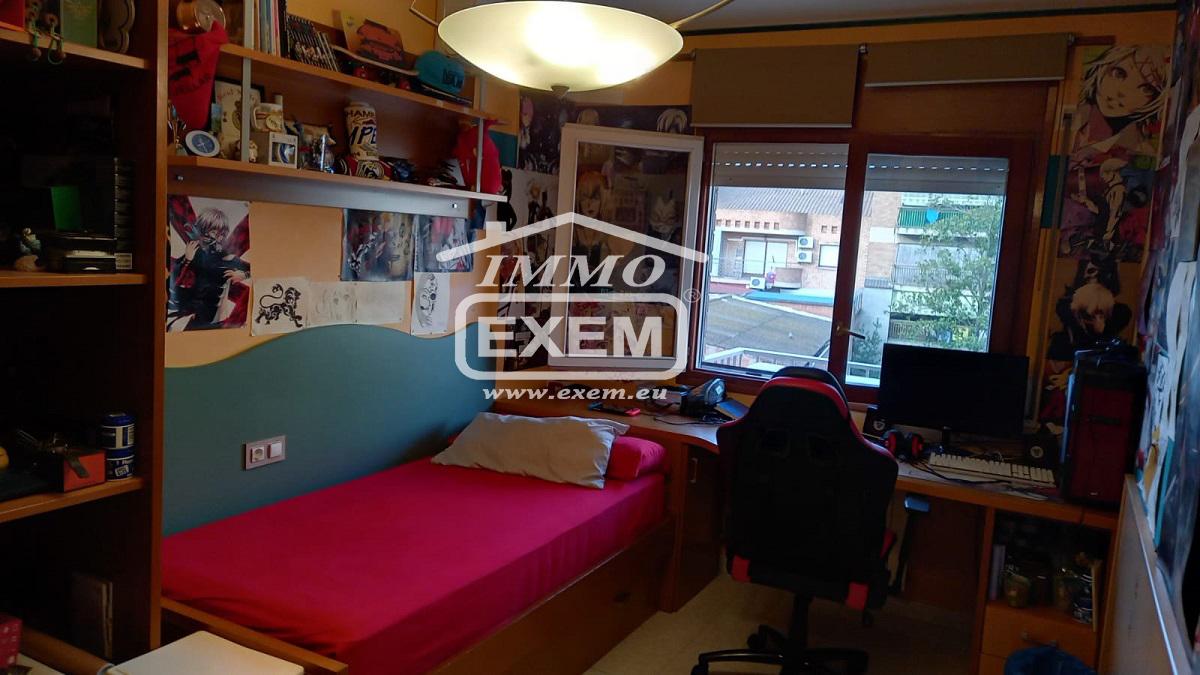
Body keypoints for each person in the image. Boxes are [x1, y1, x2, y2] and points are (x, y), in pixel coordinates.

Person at [168, 208, 250, 330]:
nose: (207, 236)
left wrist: (243, 275)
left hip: (216, 318)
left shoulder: (228, 257)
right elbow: (173, 275)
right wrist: (187, 259)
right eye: (206, 231)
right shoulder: (197, 252)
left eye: (217, 233)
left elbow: (255, 270)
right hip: (193, 313)